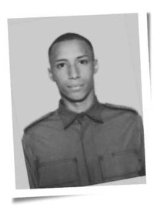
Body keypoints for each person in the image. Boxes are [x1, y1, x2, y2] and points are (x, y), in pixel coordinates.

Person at [21, 32, 146, 189]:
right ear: (51, 74)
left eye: (82, 62)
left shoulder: (131, 124)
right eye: (61, 65)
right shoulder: (34, 139)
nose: (74, 74)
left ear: (95, 66)